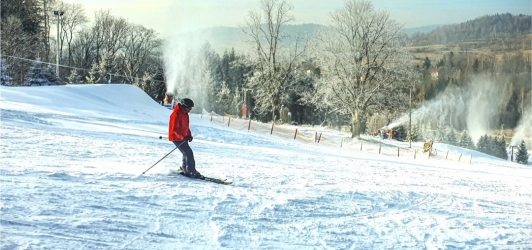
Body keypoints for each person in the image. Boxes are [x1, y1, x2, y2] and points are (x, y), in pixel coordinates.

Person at [168, 98, 202, 178]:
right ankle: (191, 171)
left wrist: (188, 135)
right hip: (176, 137)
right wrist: (182, 137)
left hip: (182, 137)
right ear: (184, 106)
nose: (190, 110)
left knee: (186, 153)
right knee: (188, 153)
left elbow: (186, 126)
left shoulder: (185, 113)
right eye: (189, 108)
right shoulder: (176, 114)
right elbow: (174, 129)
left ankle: (185, 169)